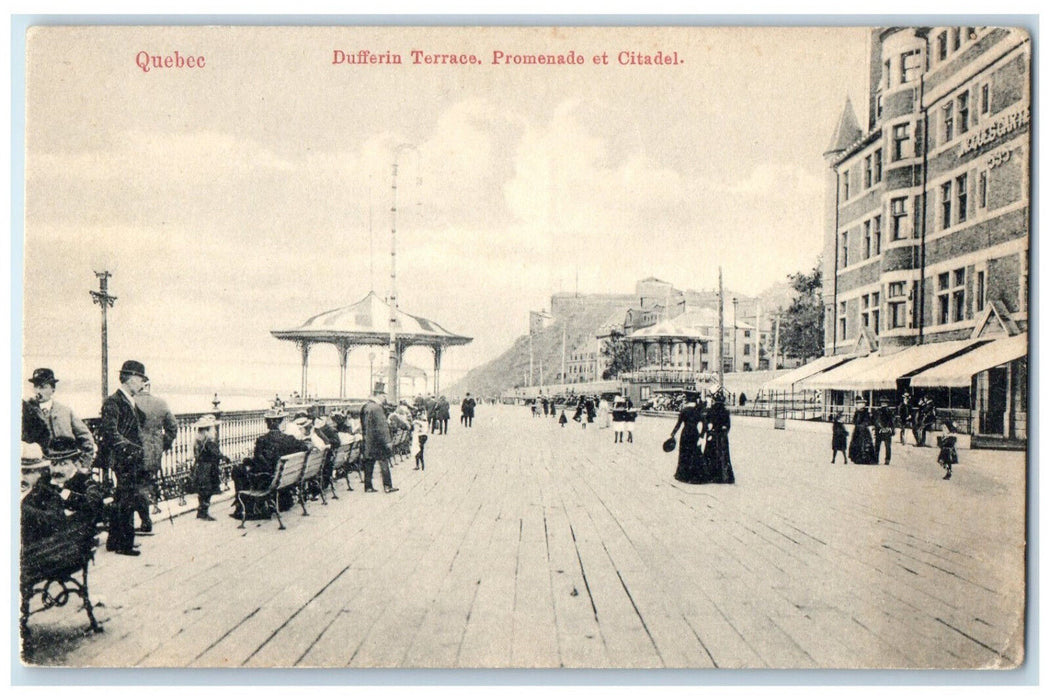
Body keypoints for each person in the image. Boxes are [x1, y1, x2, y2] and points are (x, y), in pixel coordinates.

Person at [98, 360, 150, 556]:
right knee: (127, 500)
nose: (142, 384)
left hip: (130, 458)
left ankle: (114, 541)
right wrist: (131, 448)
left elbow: (140, 420)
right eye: (140, 380)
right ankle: (124, 545)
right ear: (129, 379)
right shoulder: (113, 402)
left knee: (122, 498)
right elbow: (110, 432)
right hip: (123, 458)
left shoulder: (129, 400)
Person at [232, 409, 309, 519]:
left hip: (268, 479)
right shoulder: (289, 439)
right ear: (281, 422)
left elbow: (258, 463)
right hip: (283, 478)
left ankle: (243, 507)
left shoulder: (262, 440)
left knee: (238, 470)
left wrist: (246, 461)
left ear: (268, 423)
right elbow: (304, 447)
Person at [21, 368, 96, 469]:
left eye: (42, 387)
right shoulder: (26, 411)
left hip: (64, 467)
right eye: (36, 386)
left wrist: (83, 465)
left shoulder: (65, 411)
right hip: (38, 468)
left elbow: (86, 438)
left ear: (52, 389)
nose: (37, 391)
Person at [134, 382, 178, 533]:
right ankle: (145, 520)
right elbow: (173, 427)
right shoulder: (161, 403)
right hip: (153, 452)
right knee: (145, 484)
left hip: (133, 452)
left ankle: (142, 520)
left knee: (131, 487)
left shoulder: (130, 402)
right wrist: (162, 444)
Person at [360, 388, 399, 493]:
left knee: (369, 462)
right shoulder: (377, 408)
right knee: (384, 462)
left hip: (368, 440)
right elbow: (382, 426)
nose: (384, 398)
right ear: (377, 395)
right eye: (383, 395)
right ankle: (387, 486)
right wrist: (388, 441)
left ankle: (368, 487)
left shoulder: (365, 406)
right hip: (378, 441)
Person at [190, 415, 228, 521]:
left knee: (202, 491)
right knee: (208, 491)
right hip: (208, 469)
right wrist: (225, 458)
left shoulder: (198, 440)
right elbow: (216, 454)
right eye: (212, 428)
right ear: (207, 430)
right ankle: (204, 512)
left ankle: (201, 511)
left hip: (201, 468)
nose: (214, 430)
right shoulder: (209, 442)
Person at [670, 392, 705, 482]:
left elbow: (678, 424)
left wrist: (673, 433)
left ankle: (683, 475)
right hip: (694, 433)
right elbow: (704, 425)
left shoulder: (684, 410)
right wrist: (701, 436)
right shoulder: (698, 411)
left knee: (685, 453)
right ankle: (695, 475)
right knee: (694, 452)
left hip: (685, 433)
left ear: (688, 400)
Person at [703, 389, 734, 483]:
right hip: (722, 436)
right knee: (723, 454)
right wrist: (725, 431)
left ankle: (710, 474)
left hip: (713, 434)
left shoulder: (710, 411)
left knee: (710, 453)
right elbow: (728, 425)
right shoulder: (725, 411)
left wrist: (708, 432)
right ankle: (723, 475)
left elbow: (706, 423)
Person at [848, 399, 878, 465]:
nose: (860, 406)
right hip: (858, 430)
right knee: (857, 443)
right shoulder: (857, 412)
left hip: (863, 430)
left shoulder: (865, 412)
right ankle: (857, 458)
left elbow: (868, 421)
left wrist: (863, 425)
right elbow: (854, 420)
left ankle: (865, 458)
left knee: (864, 443)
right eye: (859, 404)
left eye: (861, 404)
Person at [873, 398, 896, 465]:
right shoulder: (890, 411)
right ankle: (886, 460)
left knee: (878, 446)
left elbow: (876, 421)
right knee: (886, 446)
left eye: (884, 403)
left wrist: (881, 427)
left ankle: (877, 459)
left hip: (880, 431)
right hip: (886, 431)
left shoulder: (878, 411)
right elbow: (892, 421)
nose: (883, 404)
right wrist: (890, 428)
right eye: (883, 403)